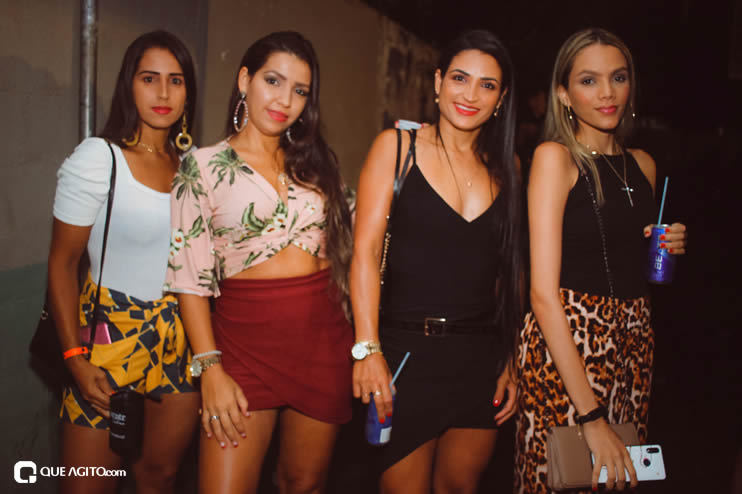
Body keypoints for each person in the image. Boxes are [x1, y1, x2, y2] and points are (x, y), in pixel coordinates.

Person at [165, 31, 354, 494]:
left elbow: (358, 246)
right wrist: (210, 369)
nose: (285, 100)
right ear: (244, 80)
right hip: (242, 349)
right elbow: (189, 278)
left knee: (302, 485)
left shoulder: (318, 167)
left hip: (322, 344)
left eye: (300, 90)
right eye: (273, 81)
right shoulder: (202, 167)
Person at [515, 28, 688, 493]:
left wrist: (665, 245)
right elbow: (542, 294)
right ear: (563, 94)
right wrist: (590, 416)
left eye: (618, 77)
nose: (607, 92)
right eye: (588, 80)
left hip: (635, 345)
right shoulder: (554, 158)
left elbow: (627, 261)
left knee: (620, 479)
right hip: (568, 345)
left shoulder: (644, 164)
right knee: (559, 480)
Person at [351, 29, 522, 494]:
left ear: (501, 98)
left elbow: (506, 274)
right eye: (460, 78)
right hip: (406, 359)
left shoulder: (507, 167)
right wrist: (367, 349)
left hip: (478, 361)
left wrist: (509, 357)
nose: (471, 95)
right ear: (438, 82)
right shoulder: (397, 148)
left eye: (487, 85)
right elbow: (365, 253)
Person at [47, 31, 199, 493]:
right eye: (149, 78)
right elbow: (62, 263)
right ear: (128, 84)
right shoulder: (100, 158)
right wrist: (74, 359)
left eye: (176, 80)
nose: (163, 92)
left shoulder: (195, 165)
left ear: (188, 92)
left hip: (179, 337)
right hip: (108, 337)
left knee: (160, 478)